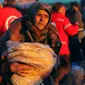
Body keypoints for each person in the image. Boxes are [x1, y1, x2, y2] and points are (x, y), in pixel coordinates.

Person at [0, 2, 61, 85]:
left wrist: (50, 70)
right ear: (32, 15)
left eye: (46, 16)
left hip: (40, 80)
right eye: (39, 15)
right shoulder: (16, 30)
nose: (42, 19)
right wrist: (10, 67)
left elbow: (56, 60)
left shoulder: (52, 35)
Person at [51, 2, 79, 85]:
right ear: (60, 9)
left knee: (53, 66)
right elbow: (72, 31)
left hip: (50, 47)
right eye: (63, 8)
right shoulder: (63, 19)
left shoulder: (49, 17)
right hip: (62, 48)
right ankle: (56, 80)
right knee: (66, 66)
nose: (65, 10)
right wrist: (76, 25)